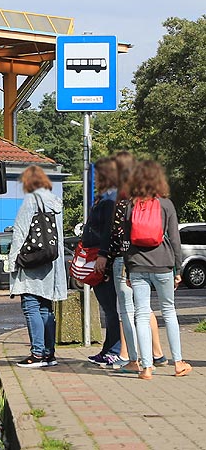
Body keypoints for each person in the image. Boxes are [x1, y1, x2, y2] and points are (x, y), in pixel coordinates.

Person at [97, 151, 166, 373]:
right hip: (147, 257)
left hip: (124, 259)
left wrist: (105, 255)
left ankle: (130, 357)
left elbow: (115, 232)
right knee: (144, 308)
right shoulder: (148, 196)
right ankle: (157, 354)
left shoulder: (120, 198)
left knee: (125, 310)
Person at [124, 159, 192, 380]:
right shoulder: (166, 205)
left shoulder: (131, 205)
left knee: (142, 314)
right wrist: (178, 268)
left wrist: (127, 267)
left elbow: (126, 239)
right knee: (169, 311)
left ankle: (146, 367)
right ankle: (178, 363)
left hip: (137, 265)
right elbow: (174, 239)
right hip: (163, 264)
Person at [6, 165, 67, 368]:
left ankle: (37, 354)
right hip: (51, 263)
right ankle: (49, 354)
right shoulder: (55, 202)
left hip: (32, 262)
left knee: (30, 305)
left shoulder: (32, 201)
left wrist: (13, 262)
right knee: (45, 308)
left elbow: (20, 233)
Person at [82, 156, 122, 366]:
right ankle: (108, 348)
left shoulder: (110, 199)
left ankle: (115, 349)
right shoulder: (104, 197)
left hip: (104, 258)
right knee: (107, 306)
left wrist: (103, 254)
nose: (96, 178)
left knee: (110, 306)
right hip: (100, 255)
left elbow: (108, 229)